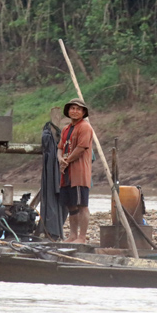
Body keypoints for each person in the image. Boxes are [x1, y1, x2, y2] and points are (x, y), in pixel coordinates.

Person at [57, 98, 93, 243]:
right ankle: (72, 235)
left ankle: (82, 237)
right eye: (72, 108)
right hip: (66, 172)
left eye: (78, 109)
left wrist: (67, 161)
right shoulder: (66, 129)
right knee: (71, 205)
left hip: (79, 172)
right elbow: (60, 147)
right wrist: (60, 159)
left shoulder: (85, 127)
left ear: (83, 112)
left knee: (82, 205)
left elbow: (81, 147)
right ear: (68, 111)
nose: (75, 111)